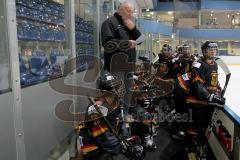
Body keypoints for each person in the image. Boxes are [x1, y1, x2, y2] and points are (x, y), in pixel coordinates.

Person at [189, 41, 225, 129]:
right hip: (198, 102)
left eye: (214, 49)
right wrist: (210, 96)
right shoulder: (198, 64)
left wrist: (218, 90)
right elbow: (198, 85)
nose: (213, 51)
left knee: (205, 126)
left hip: (209, 100)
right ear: (204, 51)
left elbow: (213, 80)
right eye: (210, 49)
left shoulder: (214, 63)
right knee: (197, 126)